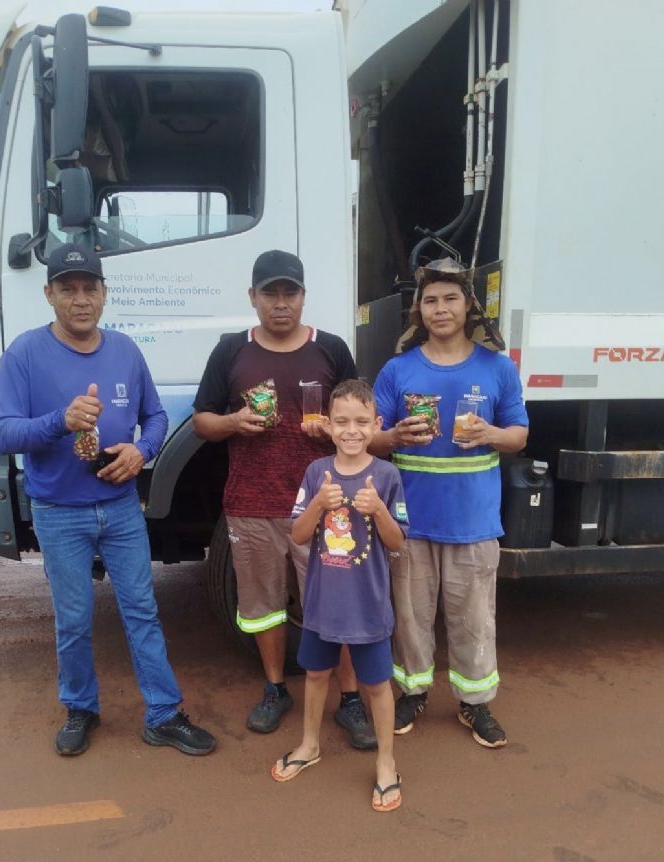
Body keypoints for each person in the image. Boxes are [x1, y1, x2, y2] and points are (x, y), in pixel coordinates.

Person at [0, 242, 216, 758]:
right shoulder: (25, 353)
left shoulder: (125, 351)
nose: (79, 299)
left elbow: (156, 417)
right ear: (48, 294)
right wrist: (59, 422)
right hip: (58, 512)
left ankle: (162, 714)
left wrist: (141, 452)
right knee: (73, 618)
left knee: (142, 610)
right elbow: (3, 433)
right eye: (67, 288)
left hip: (118, 508)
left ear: (104, 293)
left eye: (89, 287)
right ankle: (80, 708)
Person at [192, 249, 376, 748]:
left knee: (335, 604)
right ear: (253, 298)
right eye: (269, 293)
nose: (280, 303)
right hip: (251, 504)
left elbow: (361, 418)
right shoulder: (231, 350)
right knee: (262, 605)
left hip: (326, 502)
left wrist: (334, 432)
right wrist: (234, 422)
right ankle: (275, 688)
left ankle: (351, 698)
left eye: (289, 293)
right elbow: (202, 420)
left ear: (302, 297)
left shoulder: (331, 349)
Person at [371, 257, 529, 748]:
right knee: (411, 616)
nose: (440, 308)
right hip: (410, 521)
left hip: (474, 521)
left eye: (451, 298)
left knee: (474, 618)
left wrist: (492, 434)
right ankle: (413, 692)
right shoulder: (397, 370)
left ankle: (475, 702)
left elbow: (520, 436)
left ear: (469, 306)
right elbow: (367, 439)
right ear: (419, 309)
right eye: (431, 300)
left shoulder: (498, 368)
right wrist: (393, 434)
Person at [270, 380, 407, 813]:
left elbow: (398, 541)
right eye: (343, 421)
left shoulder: (387, 475)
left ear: (377, 424)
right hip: (322, 606)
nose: (352, 430)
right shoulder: (316, 473)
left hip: (368, 608)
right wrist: (319, 505)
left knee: (377, 685)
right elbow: (297, 532)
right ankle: (309, 744)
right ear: (328, 425)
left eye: (362, 421)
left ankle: (387, 763)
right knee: (314, 675)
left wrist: (379, 510)